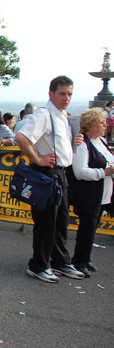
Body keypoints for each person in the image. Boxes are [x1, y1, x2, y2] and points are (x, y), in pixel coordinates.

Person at [14, 75, 85, 284]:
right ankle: (39, 264)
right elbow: (21, 137)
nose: (66, 98)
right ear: (51, 94)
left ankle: (60, 261)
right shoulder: (44, 115)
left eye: (70, 94)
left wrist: (76, 141)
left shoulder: (62, 116)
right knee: (46, 222)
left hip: (61, 173)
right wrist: (37, 158)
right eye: (62, 94)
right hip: (48, 174)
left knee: (61, 220)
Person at [68, 108, 114, 278]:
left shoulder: (100, 141)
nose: (104, 126)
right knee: (87, 227)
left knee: (92, 227)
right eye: (100, 123)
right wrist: (104, 172)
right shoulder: (83, 144)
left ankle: (85, 259)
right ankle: (79, 261)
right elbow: (80, 172)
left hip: (102, 193)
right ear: (91, 125)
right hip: (88, 194)